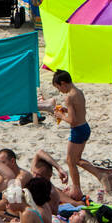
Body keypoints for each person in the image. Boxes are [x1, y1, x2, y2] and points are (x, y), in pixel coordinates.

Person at [38, 70, 91, 201]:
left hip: (77, 130)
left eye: (58, 88)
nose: (60, 91)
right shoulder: (78, 92)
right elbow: (79, 113)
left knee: (70, 160)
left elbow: (72, 120)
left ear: (63, 83)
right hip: (84, 127)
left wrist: (61, 116)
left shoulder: (69, 97)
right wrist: (66, 111)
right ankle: (99, 175)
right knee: (76, 159)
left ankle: (77, 189)